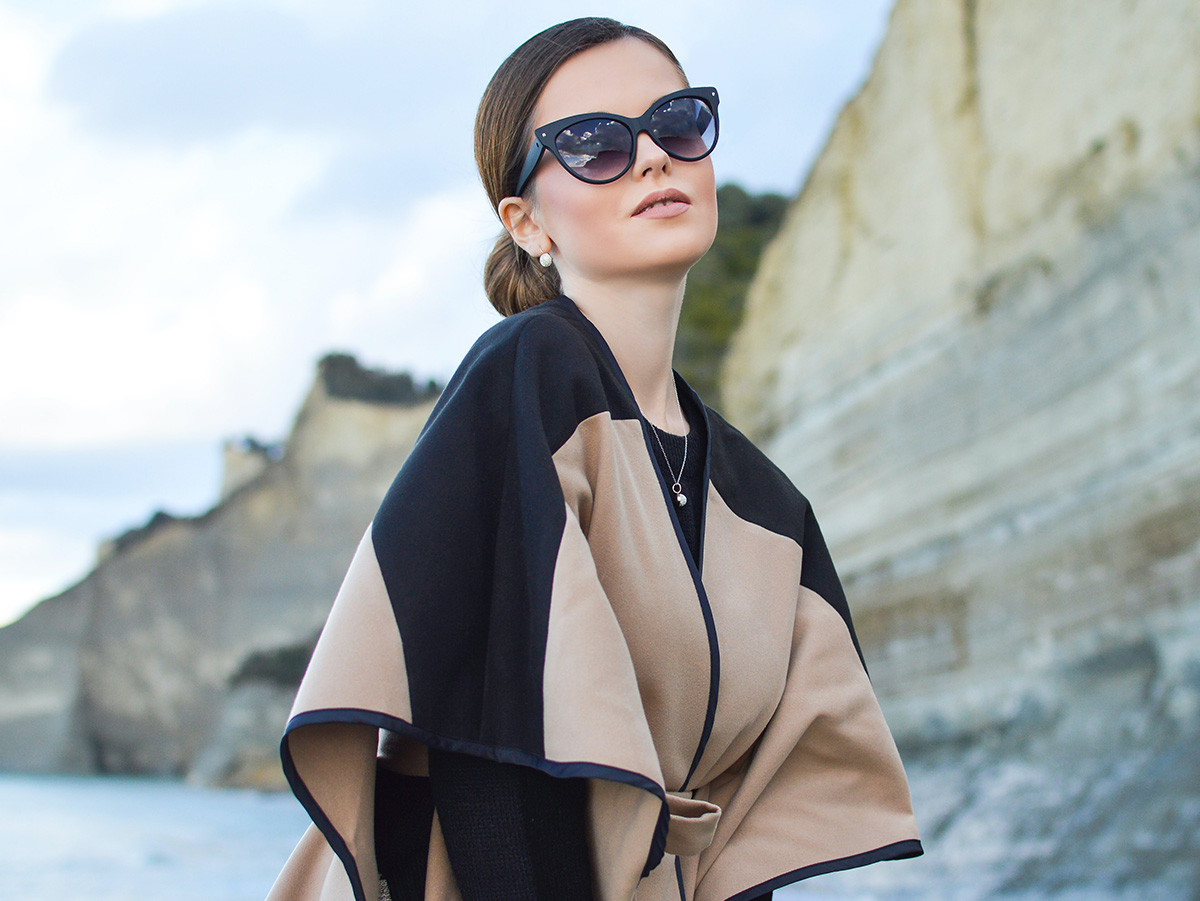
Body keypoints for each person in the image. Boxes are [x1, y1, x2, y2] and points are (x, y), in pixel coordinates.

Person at [265, 17, 921, 901]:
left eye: (677, 124)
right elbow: (484, 750)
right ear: (528, 221)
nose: (651, 157)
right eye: (594, 144)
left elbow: (755, 826)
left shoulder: (767, 503)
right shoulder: (528, 374)